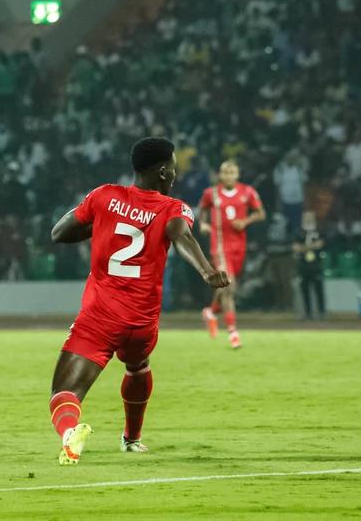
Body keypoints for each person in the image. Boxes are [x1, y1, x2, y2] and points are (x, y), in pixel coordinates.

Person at [48, 137, 229, 465]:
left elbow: (59, 232)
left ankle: (70, 434)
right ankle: (132, 439)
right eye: (173, 166)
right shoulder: (173, 208)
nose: (175, 173)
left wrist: (103, 224)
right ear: (162, 172)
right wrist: (207, 271)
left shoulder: (105, 196)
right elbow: (182, 235)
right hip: (142, 323)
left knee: (65, 392)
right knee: (137, 366)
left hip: (100, 318)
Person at [199, 161, 266, 348]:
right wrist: (203, 224)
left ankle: (211, 311)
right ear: (220, 175)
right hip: (219, 246)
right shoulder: (211, 193)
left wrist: (245, 221)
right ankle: (233, 332)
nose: (229, 176)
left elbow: (261, 213)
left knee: (229, 287)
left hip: (239, 247)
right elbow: (202, 211)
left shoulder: (248, 192)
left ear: (237, 174)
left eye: (232, 173)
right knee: (229, 284)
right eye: (225, 173)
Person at [292, 211, 325, 320]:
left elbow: (321, 244)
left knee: (319, 290)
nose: (308, 220)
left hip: (316, 265)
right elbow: (295, 247)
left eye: (310, 218)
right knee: (304, 290)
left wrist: (304, 247)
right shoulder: (299, 232)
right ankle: (307, 313)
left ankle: (321, 312)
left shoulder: (319, 231)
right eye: (306, 218)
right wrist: (311, 246)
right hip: (303, 266)